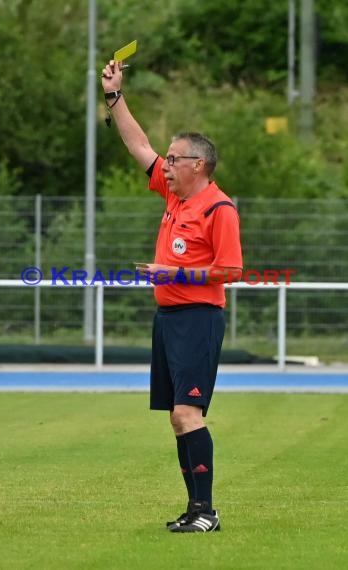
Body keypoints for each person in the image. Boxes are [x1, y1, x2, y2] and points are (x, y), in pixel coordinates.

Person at [101, 60, 243, 533]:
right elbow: (136, 143)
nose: (167, 162)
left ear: (197, 164)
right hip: (168, 319)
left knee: (189, 412)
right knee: (177, 420)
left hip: (199, 318)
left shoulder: (218, 208)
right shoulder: (174, 195)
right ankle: (194, 508)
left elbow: (232, 270)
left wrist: (173, 271)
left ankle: (207, 512)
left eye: (175, 157)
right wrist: (114, 97)